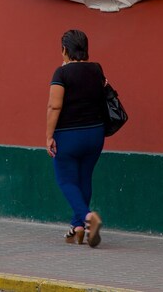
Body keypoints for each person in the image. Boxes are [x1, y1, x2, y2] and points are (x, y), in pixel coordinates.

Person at [45, 29, 106, 247]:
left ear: (64, 50)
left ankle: (88, 217)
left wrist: (49, 136)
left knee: (66, 180)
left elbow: (54, 105)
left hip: (69, 135)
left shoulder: (61, 74)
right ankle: (78, 226)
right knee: (84, 179)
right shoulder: (97, 70)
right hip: (95, 134)